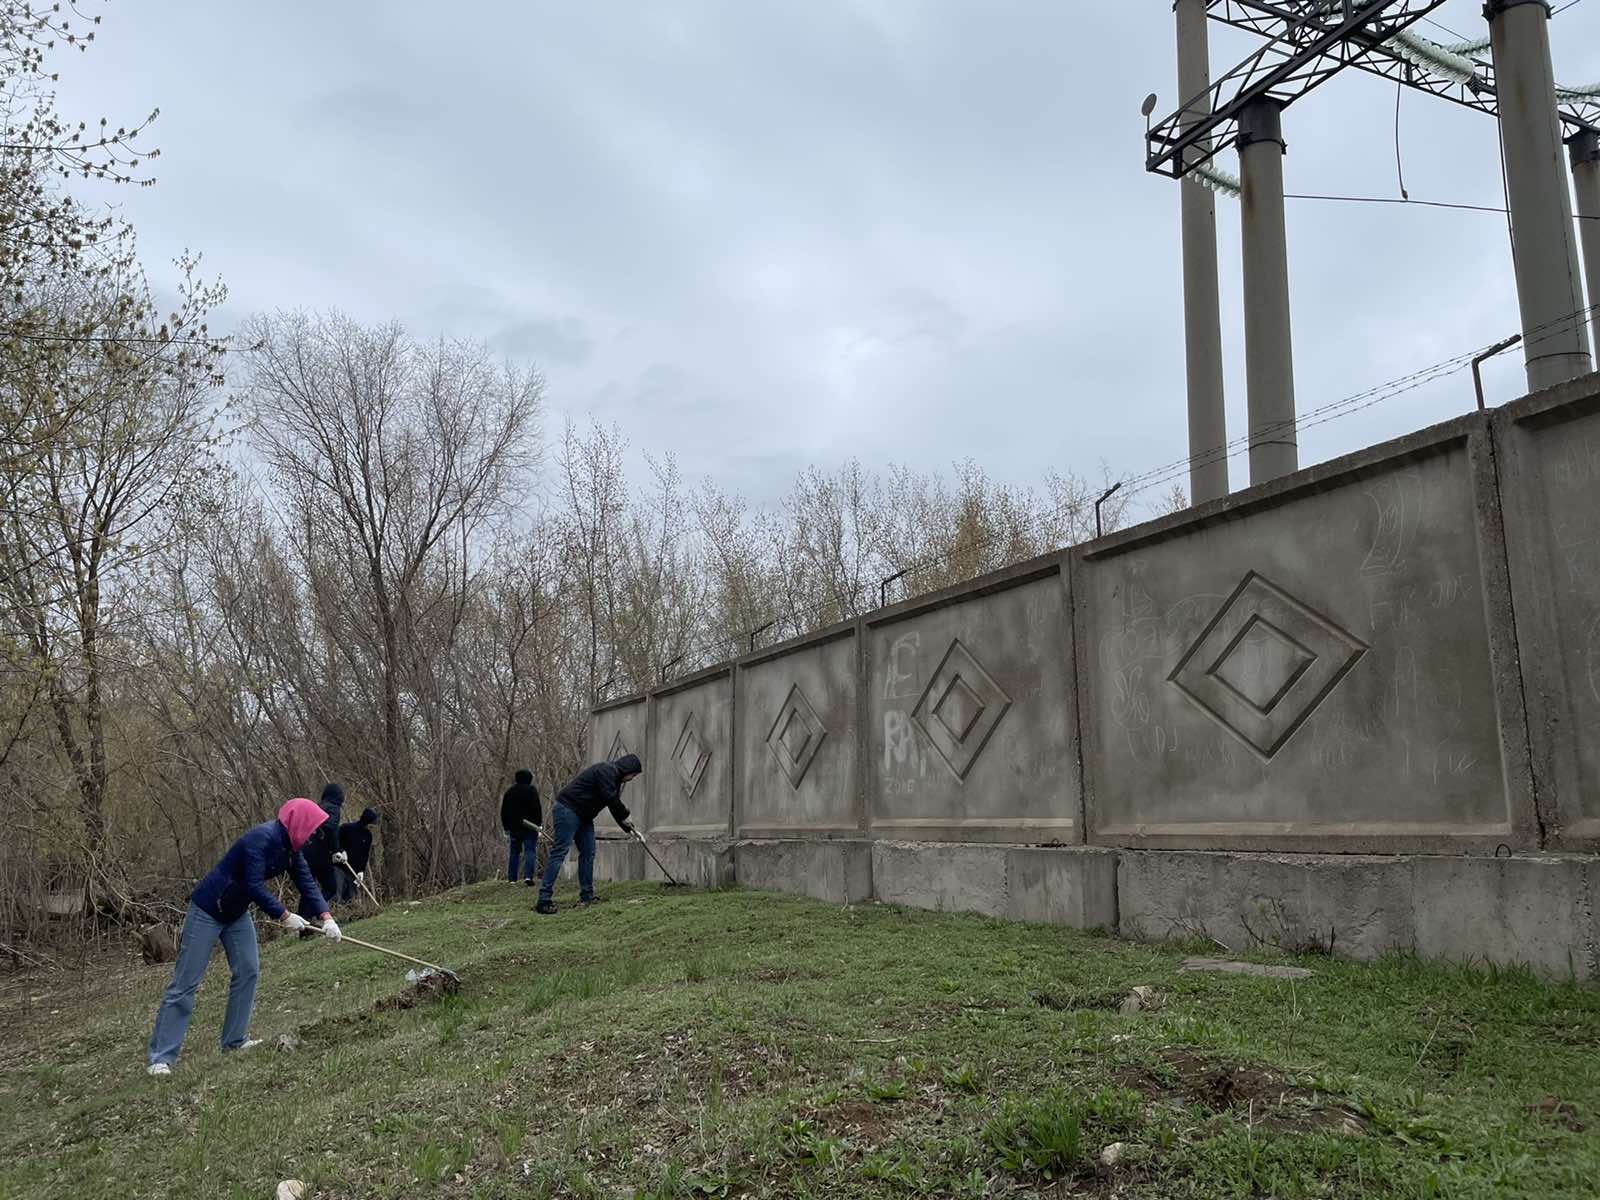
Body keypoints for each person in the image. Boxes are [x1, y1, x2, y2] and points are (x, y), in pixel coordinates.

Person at [147, 798, 341, 1076]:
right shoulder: (260, 838)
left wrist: (327, 917)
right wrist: (284, 915)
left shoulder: (292, 851)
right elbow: (252, 884)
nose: (313, 834)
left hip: (236, 912)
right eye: (311, 828)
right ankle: (161, 1058)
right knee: (186, 981)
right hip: (208, 909)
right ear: (299, 823)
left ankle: (234, 1042)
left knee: (248, 970)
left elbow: (307, 883)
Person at [536, 753, 640, 915]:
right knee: (560, 852)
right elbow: (611, 798)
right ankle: (543, 900)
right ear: (628, 769)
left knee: (588, 852)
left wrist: (630, 829)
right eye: (634, 774)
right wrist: (626, 815)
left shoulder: (615, 778)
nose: (633, 778)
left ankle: (587, 896)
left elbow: (613, 805)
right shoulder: (607, 771)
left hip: (584, 816)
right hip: (568, 810)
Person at [297, 783, 345, 925]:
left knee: (308, 888)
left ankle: (304, 924)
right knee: (330, 886)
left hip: (303, 852)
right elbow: (331, 829)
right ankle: (312, 915)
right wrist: (337, 850)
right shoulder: (333, 809)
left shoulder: (317, 806)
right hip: (320, 854)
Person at [500, 769, 542, 885]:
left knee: (514, 852)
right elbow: (537, 809)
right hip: (530, 827)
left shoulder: (510, 792)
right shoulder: (532, 791)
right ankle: (528, 876)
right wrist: (539, 825)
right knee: (530, 851)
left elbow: (504, 811)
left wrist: (506, 827)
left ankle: (512, 879)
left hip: (514, 827)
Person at [335, 807, 379, 902]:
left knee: (350, 898)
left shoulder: (368, 836)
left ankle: (349, 914)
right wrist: (340, 851)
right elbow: (335, 841)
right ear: (366, 821)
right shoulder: (346, 828)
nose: (372, 827)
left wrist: (361, 871)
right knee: (336, 894)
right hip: (340, 867)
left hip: (354, 872)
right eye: (371, 824)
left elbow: (365, 855)